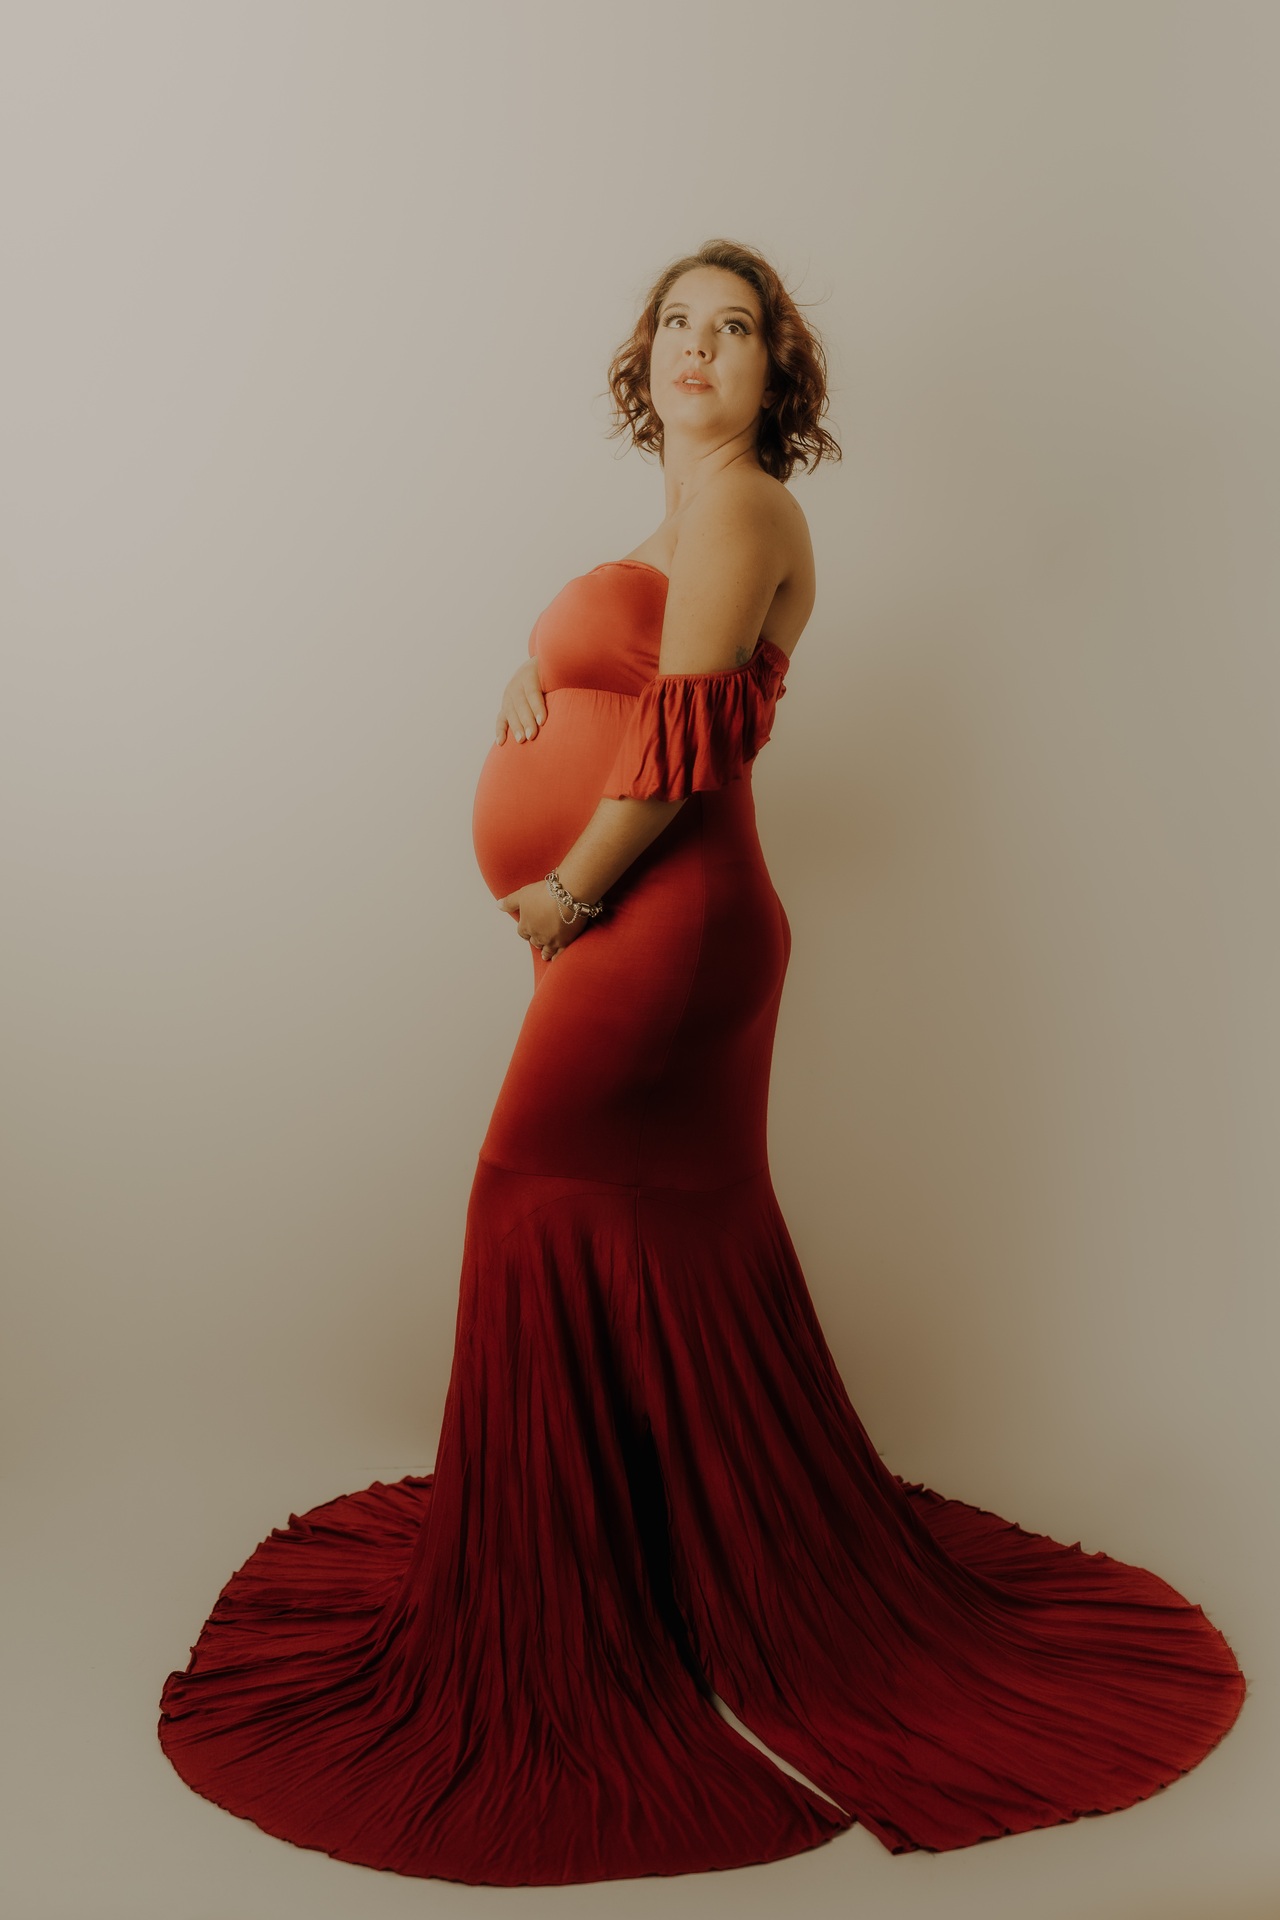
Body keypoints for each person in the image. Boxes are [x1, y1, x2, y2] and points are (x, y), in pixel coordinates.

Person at [158, 239, 1246, 1887]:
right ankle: (647, 1570)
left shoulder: (746, 509)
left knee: (526, 1206)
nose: (698, 347)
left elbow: (677, 743)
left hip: (662, 934)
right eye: (676, 322)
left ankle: (571, 1604)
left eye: (734, 330)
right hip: (641, 933)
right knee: (641, 1241)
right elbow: (632, 681)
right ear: (642, 356)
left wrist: (569, 893)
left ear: (773, 375)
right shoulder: (675, 529)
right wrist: (532, 675)